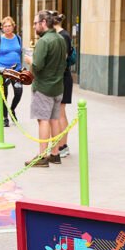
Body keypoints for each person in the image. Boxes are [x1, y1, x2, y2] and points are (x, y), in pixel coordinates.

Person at [25, 11, 67, 167]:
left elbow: (37, 66)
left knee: (43, 120)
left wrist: (30, 60)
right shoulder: (60, 39)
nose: (34, 26)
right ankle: (55, 154)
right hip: (57, 86)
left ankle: (42, 156)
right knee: (54, 120)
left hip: (43, 87)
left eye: (36, 23)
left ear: (43, 22)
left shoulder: (44, 41)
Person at [0, 15, 23, 125]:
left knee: (18, 92)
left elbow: (20, 52)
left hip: (16, 69)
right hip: (2, 70)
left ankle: (12, 109)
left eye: (9, 26)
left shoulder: (18, 38)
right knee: (4, 94)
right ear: (2, 27)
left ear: (13, 26)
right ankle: (5, 117)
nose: (8, 28)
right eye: (5, 26)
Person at [52, 12, 75, 158]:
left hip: (62, 77)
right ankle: (61, 145)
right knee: (59, 112)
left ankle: (63, 145)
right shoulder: (61, 35)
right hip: (61, 77)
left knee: (60, 112)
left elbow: (63, 58)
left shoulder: (63, 36)